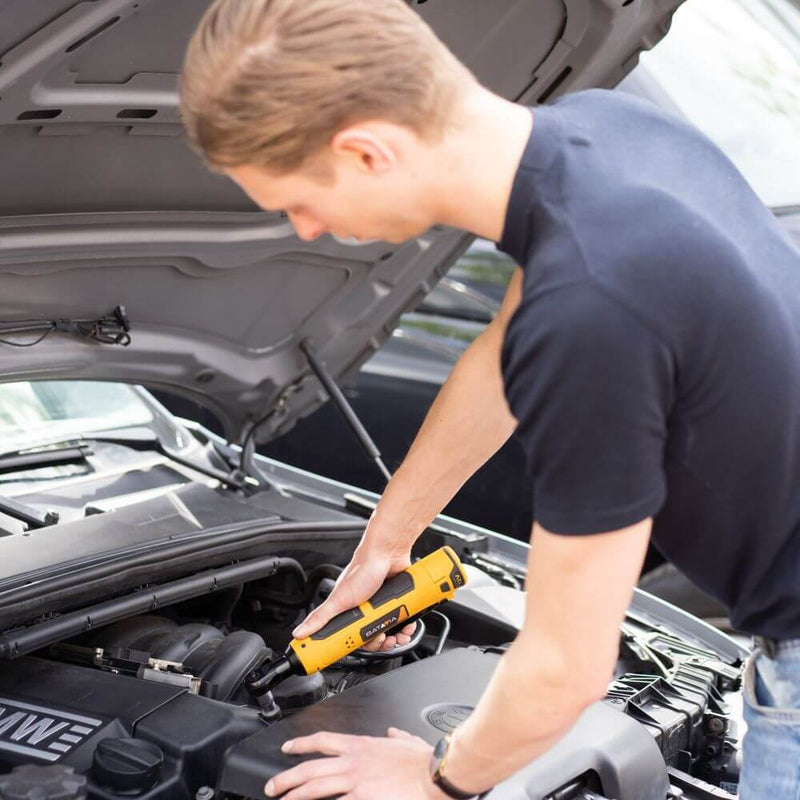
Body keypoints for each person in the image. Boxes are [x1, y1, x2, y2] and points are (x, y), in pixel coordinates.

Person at [179, 1, 800, 798]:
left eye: (298, 200)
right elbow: (498, 358)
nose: (305, 230)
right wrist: (387, 540)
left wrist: (439, 780)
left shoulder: (589, 302)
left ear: (365, 151)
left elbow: (568, 667)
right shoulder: (603, 134)